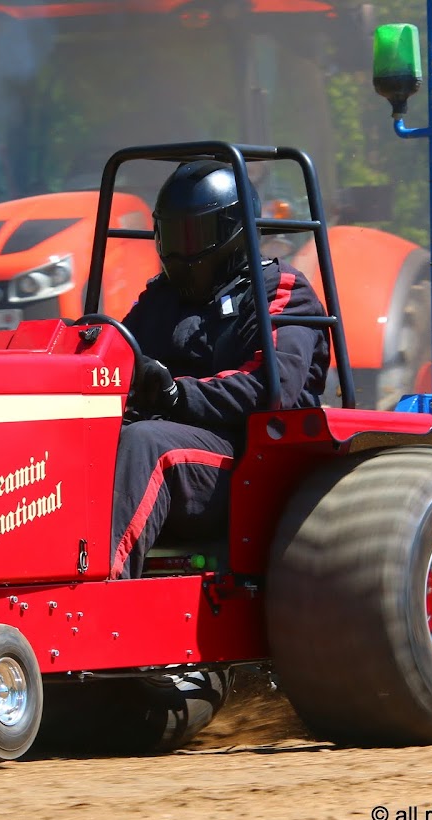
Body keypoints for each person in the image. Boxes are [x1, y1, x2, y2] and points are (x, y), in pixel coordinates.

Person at [110, 161, 330, 579]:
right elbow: (118, 354)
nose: (182, 250)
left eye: (194, 236)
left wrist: (176, 394)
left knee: (145, 443)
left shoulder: (280, 290)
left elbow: (270, 387)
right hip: (184, 447)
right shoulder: (161, 298)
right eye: (172, 235)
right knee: (80, 437)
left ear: (232, 231)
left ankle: (94, 597)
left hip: (253, 461)